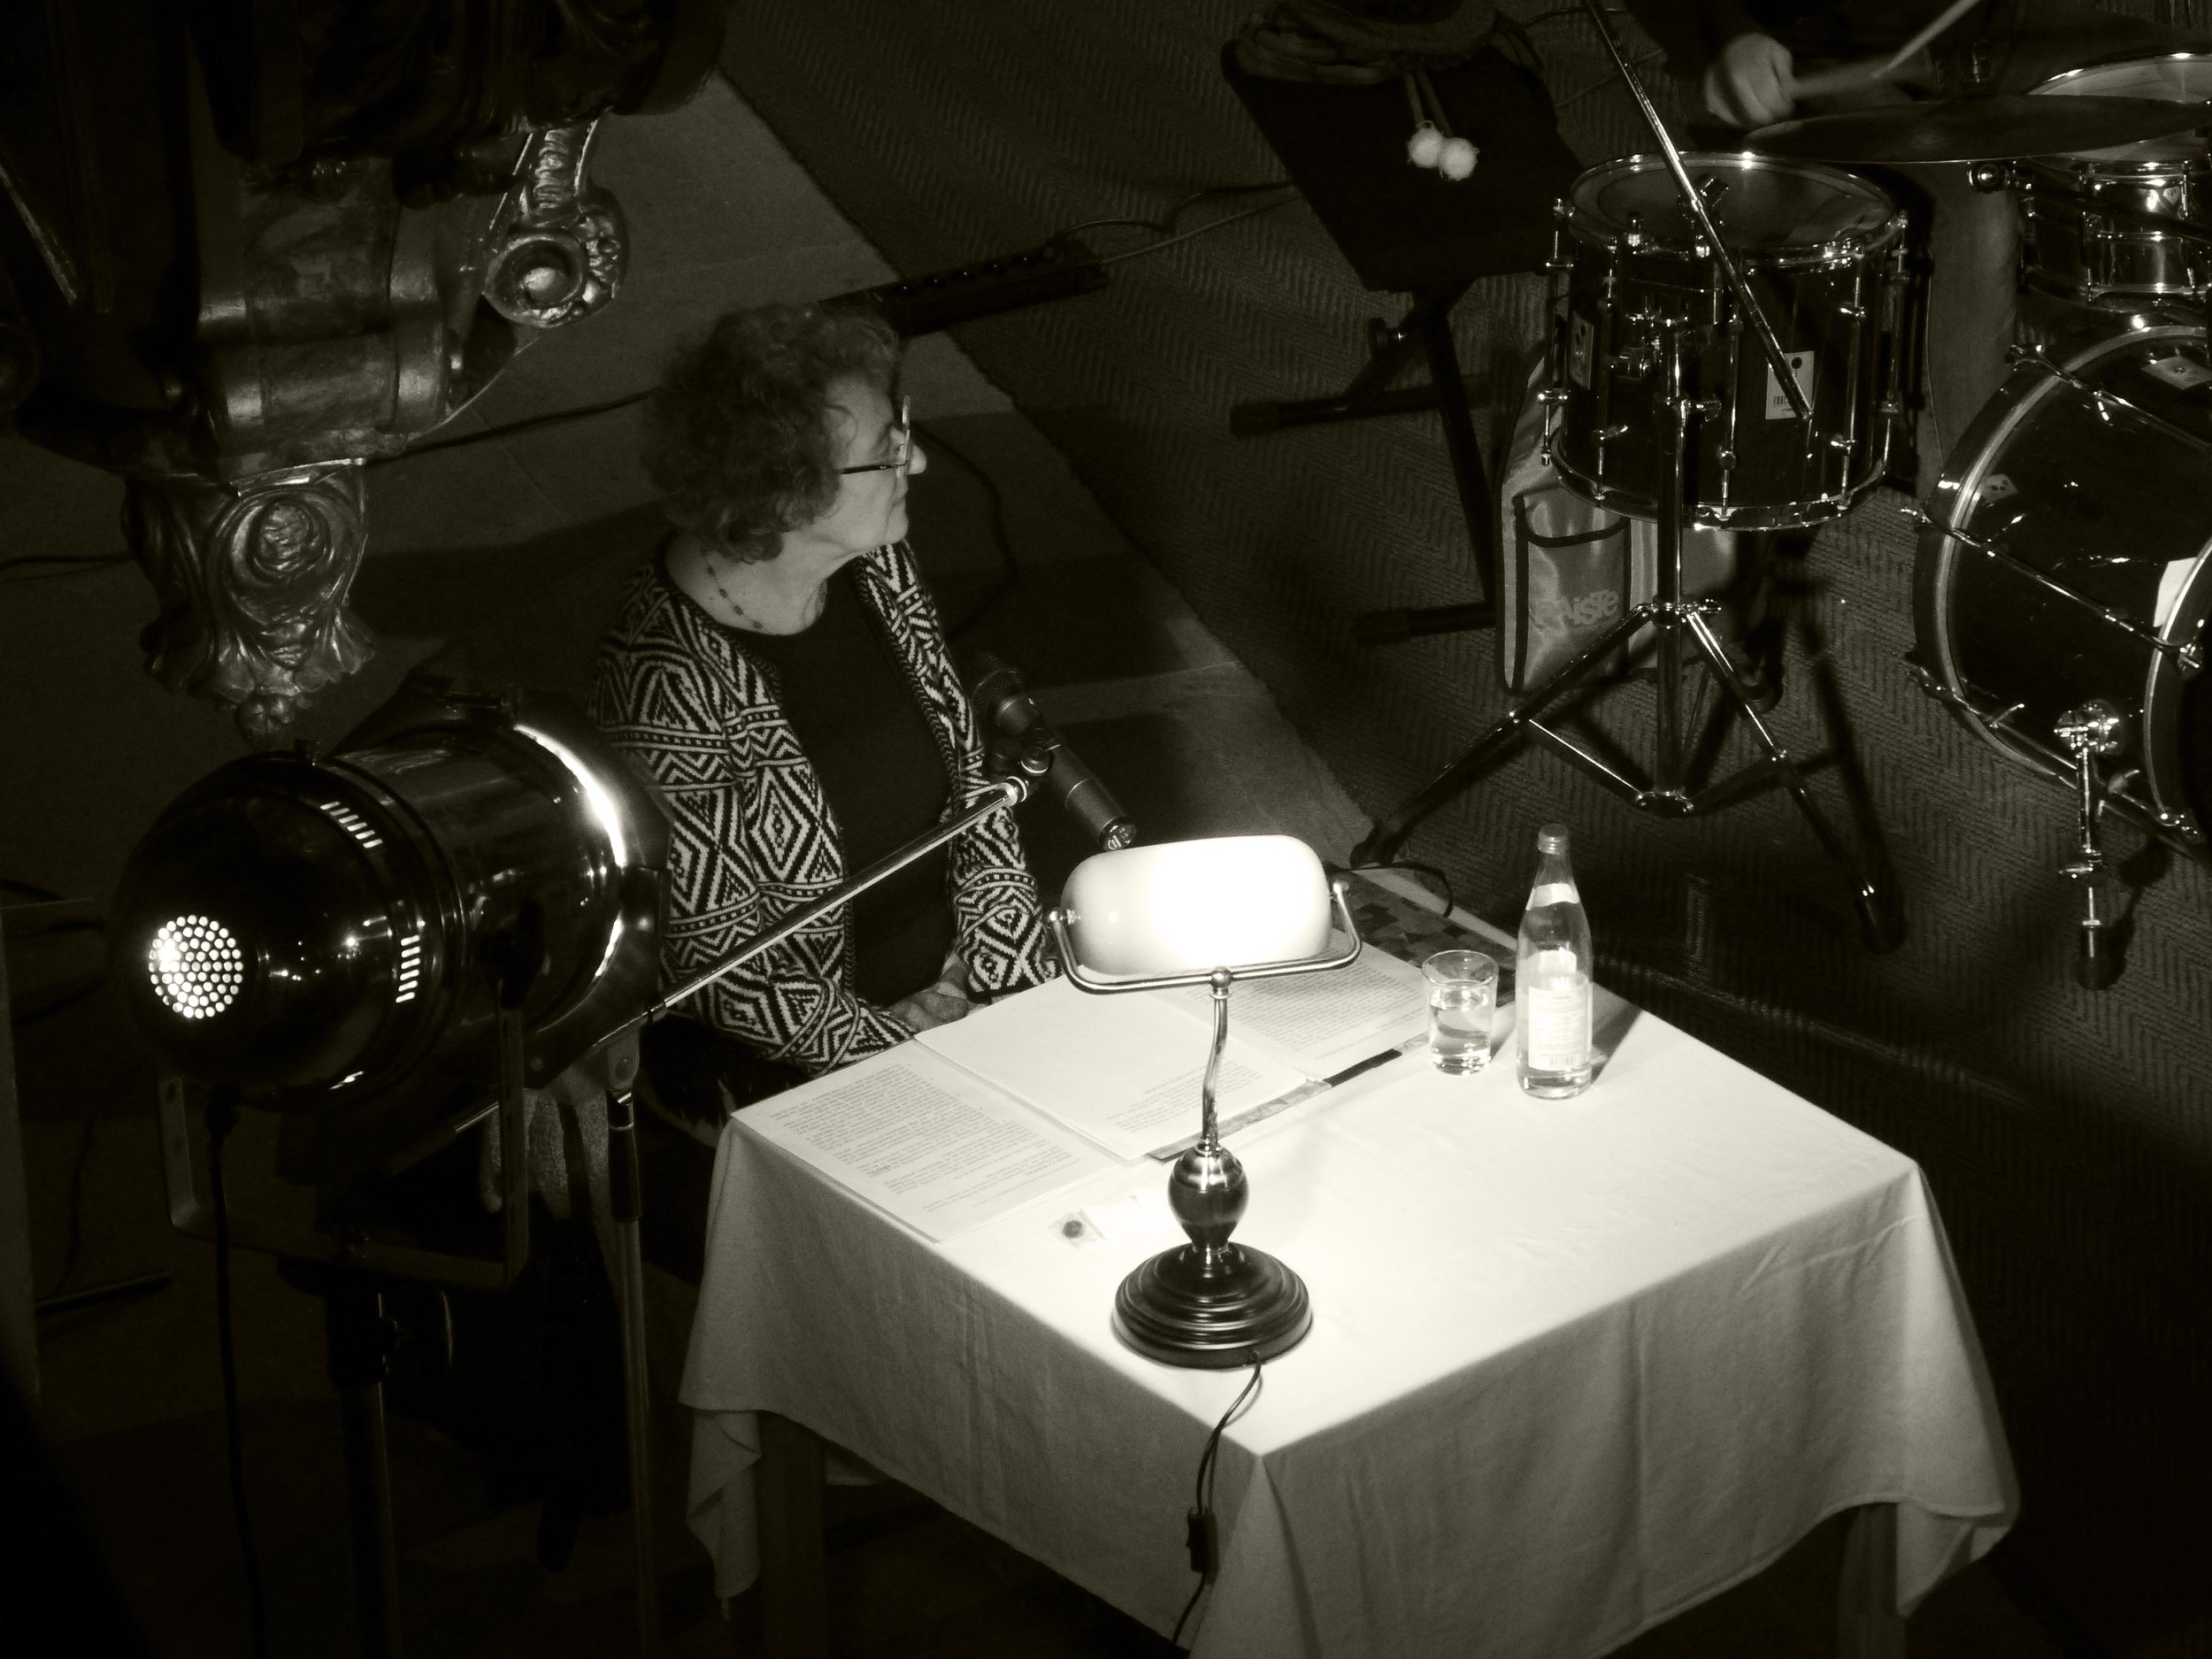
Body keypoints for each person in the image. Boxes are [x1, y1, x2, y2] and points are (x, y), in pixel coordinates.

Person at [590, 302, 1056, 1127]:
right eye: (886, 452)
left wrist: (1001, 976)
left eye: (900, 427)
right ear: (788, 498)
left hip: (966, 987)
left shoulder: (877, 563)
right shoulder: (666, 685)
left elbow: (972, 786)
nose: (914, 460)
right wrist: (910, 1054)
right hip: (817, 1059)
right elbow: (733, 970)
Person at [1623, 0, 2209, 482]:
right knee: (1973, 206)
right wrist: (1727, 33)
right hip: (1803, 59)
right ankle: (1965, 503)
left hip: (1985, 34)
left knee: (2190, 80)